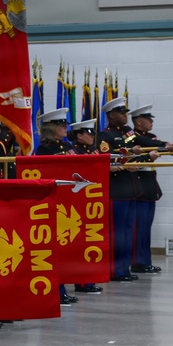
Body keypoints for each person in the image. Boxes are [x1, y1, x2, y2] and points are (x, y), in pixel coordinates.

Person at [128, 104, 173, 274]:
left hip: (149, 186)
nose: (151, 121)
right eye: (148, 118)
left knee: (145, 228)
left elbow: (160, 147)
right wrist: (167, 145)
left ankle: (145, 261)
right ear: (138, 121)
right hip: (137, 187)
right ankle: (138, 262)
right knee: (139, 228)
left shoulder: (150, 137)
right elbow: (151, 144)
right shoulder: (131, 137)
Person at [98, 98, 159, 282]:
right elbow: (107, 159)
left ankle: (124, 269)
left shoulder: (126, 133)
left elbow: (142, 141)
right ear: (111, 115)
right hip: (117, 190)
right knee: (118, 234)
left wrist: (170, 148)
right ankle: (115, 270)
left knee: (127, 233)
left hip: (132, 190)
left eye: (126, 112)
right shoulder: (105, 136)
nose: (126, 116)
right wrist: (139, 156)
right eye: (121, 113)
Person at [34, 108, 78, 306]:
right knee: (55, 247)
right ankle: (57, 290)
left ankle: (63, 287)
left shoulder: (68, 145)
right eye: (61, 125)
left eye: (65, 124)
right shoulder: (44, 149)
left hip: (71, 200)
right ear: (51, 128)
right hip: (56, 200)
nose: (65, 128)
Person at [68, 118, 103, 295]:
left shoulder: (92, 151)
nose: (92, 137)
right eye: (88, 134)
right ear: (79, 136)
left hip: (92, 201)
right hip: (79, 202)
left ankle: (87, 280)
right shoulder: (73, 152)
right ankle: (82, 282)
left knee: (90, 241)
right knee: (80, 242)